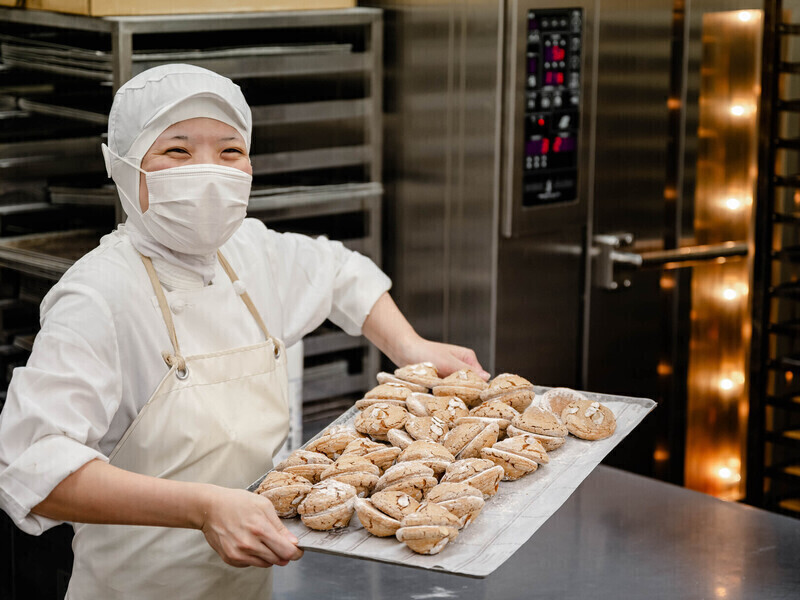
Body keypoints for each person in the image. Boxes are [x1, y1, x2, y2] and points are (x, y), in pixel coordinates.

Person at [0, 64, 487, 599]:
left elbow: (340, 273)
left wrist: (411, 347)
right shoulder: (98, 294)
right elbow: (33, 466)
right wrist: (203, 508)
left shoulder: (249, 255)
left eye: (230, 151)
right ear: (123, 167)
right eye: (177, 152)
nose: (208, 171)